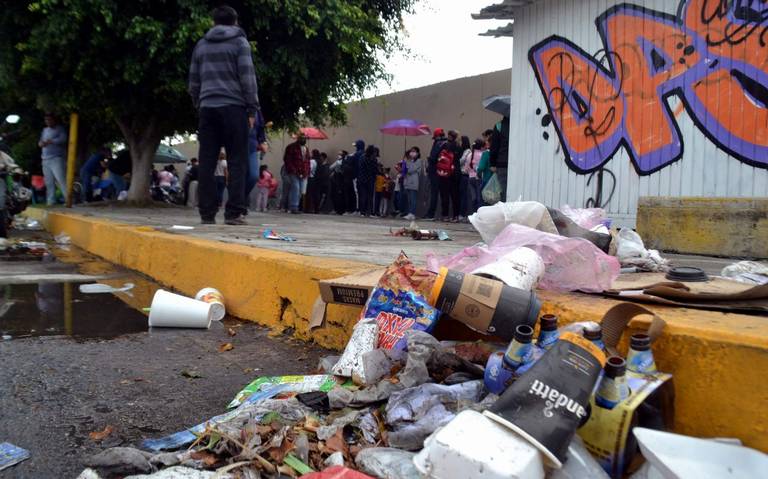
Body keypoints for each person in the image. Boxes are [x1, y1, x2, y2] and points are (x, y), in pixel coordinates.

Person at [188, 5, 259, 225]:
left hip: (208, 108)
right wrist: (251, 108)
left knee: (207, 163)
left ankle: (206, 213)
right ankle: (234, 213)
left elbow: (193, 81)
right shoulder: (240, 43)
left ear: (213, 23)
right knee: (237, 161)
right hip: (234, 108)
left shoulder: (201, 45)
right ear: (235, 21)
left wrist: (200, 104)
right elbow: (247, 77)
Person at [38, 113, 68, 205]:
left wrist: (51, 141)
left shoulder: (59, 129)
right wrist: (41, 143)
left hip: (56, 158)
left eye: (50, 119)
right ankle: (51, 201)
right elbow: (40, 141)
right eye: (46, 120)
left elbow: (63, 139)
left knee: (61, 179)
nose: (48, 121)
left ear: (54, 120)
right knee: (49, 181)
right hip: (45, 159)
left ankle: (69, 199)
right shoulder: (45, 130)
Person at [437, 130, 462, 222]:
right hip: (455, 173)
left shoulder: (444, 145)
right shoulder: (459, 146)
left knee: (445, 195)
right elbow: (460, 158)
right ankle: (456, 216)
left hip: (445, 172)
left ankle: (445, 215)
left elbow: (437, 156)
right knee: (455, 195)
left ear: (449, 136)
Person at [282, 133, 310, 214]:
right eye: (302, 138)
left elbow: (307, 161)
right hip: (294, 172)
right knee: (296, 188)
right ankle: (294, 207)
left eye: (305, 138)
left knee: (301, 190)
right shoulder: (291, 147)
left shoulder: (306, 149)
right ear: (298, 139)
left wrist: (307, 171)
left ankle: (294, 206)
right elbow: (287, 159)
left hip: (304, 172)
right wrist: (292, 170)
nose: (303, 140)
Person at [245, 109, 267, 207]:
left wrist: (263, 142)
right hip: (237, 147)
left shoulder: (257, 111)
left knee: (254, 176)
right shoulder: (237, 105)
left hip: (252, 147)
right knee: (239, 176)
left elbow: (261, 128)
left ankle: (241, 197)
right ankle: (238, 202)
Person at [424, 128, 447, 220]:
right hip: (445, 171)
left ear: (437, 136)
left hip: (435, 171)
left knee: (434, 193)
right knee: (444, 194)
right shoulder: (446, 143)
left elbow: (433, 157)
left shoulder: (437, 144)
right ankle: (444, 215)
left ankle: (431, 214)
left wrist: (429, 160)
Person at [488, 116, 510, 201]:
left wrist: (492, 163)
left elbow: (494, 147)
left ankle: (504, 212)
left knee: (503, 192)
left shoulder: (499, 126)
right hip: (520, 162)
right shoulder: (520, 123)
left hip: (502, 163)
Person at [343, 140, 363, 214]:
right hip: (362, 177)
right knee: (362, 194)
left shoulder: (356, 154)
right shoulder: (363, 154)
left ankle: (358, 209)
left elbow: (350, 162)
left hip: (356, 176)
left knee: (357, 193)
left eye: (356, 146)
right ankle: (361, 209)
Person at [466, 138, 486, 214]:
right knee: (479, 197)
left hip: (470, 178)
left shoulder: (469, 155)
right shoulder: (482, 155)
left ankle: (473, 213)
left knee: (473, 197)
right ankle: (479, 214)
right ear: (481, 147)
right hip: (479, 178)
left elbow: (466, 168)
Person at [403, 146, 423, 221]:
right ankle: (409, 213)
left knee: (413, 198)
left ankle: (412, 213)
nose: (412, 153)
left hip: (414, 181)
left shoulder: (419, 161)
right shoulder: (408, 160)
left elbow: (411, 169)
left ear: (417, 153)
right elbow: (405, 170)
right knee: (409, 199)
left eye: (414, 151)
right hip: (408, 181)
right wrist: (405, 161)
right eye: (411, 151)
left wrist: (408, 163)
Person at [357, 145, 378, 217]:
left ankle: (362, 211)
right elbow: (375, 170)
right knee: (370, 196)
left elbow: (359, 168)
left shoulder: (362, 157)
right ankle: (370, 212)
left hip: (362, 179)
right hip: (370, 179)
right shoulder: (373, 159)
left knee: (363, 195)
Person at [457, 135, 472, 221]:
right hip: (461, 175)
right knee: (461, 194)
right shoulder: (462, 151)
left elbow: (461, 161)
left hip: (465, 175)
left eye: (460, 141)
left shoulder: (467, 151)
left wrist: (455, 159)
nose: (459, 143)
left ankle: (463, 214)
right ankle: (461, 213)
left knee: (463, 195)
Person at [330, 150, 347, 215]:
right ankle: (340, 210)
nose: (338, 155)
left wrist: (334, 171)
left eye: (340, 154)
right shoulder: (345, 162)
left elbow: (331, 167)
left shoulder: (338, 162)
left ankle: (337, 210)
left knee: (337, 195)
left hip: (338, 179)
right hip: (342, 180)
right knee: (340, 195)